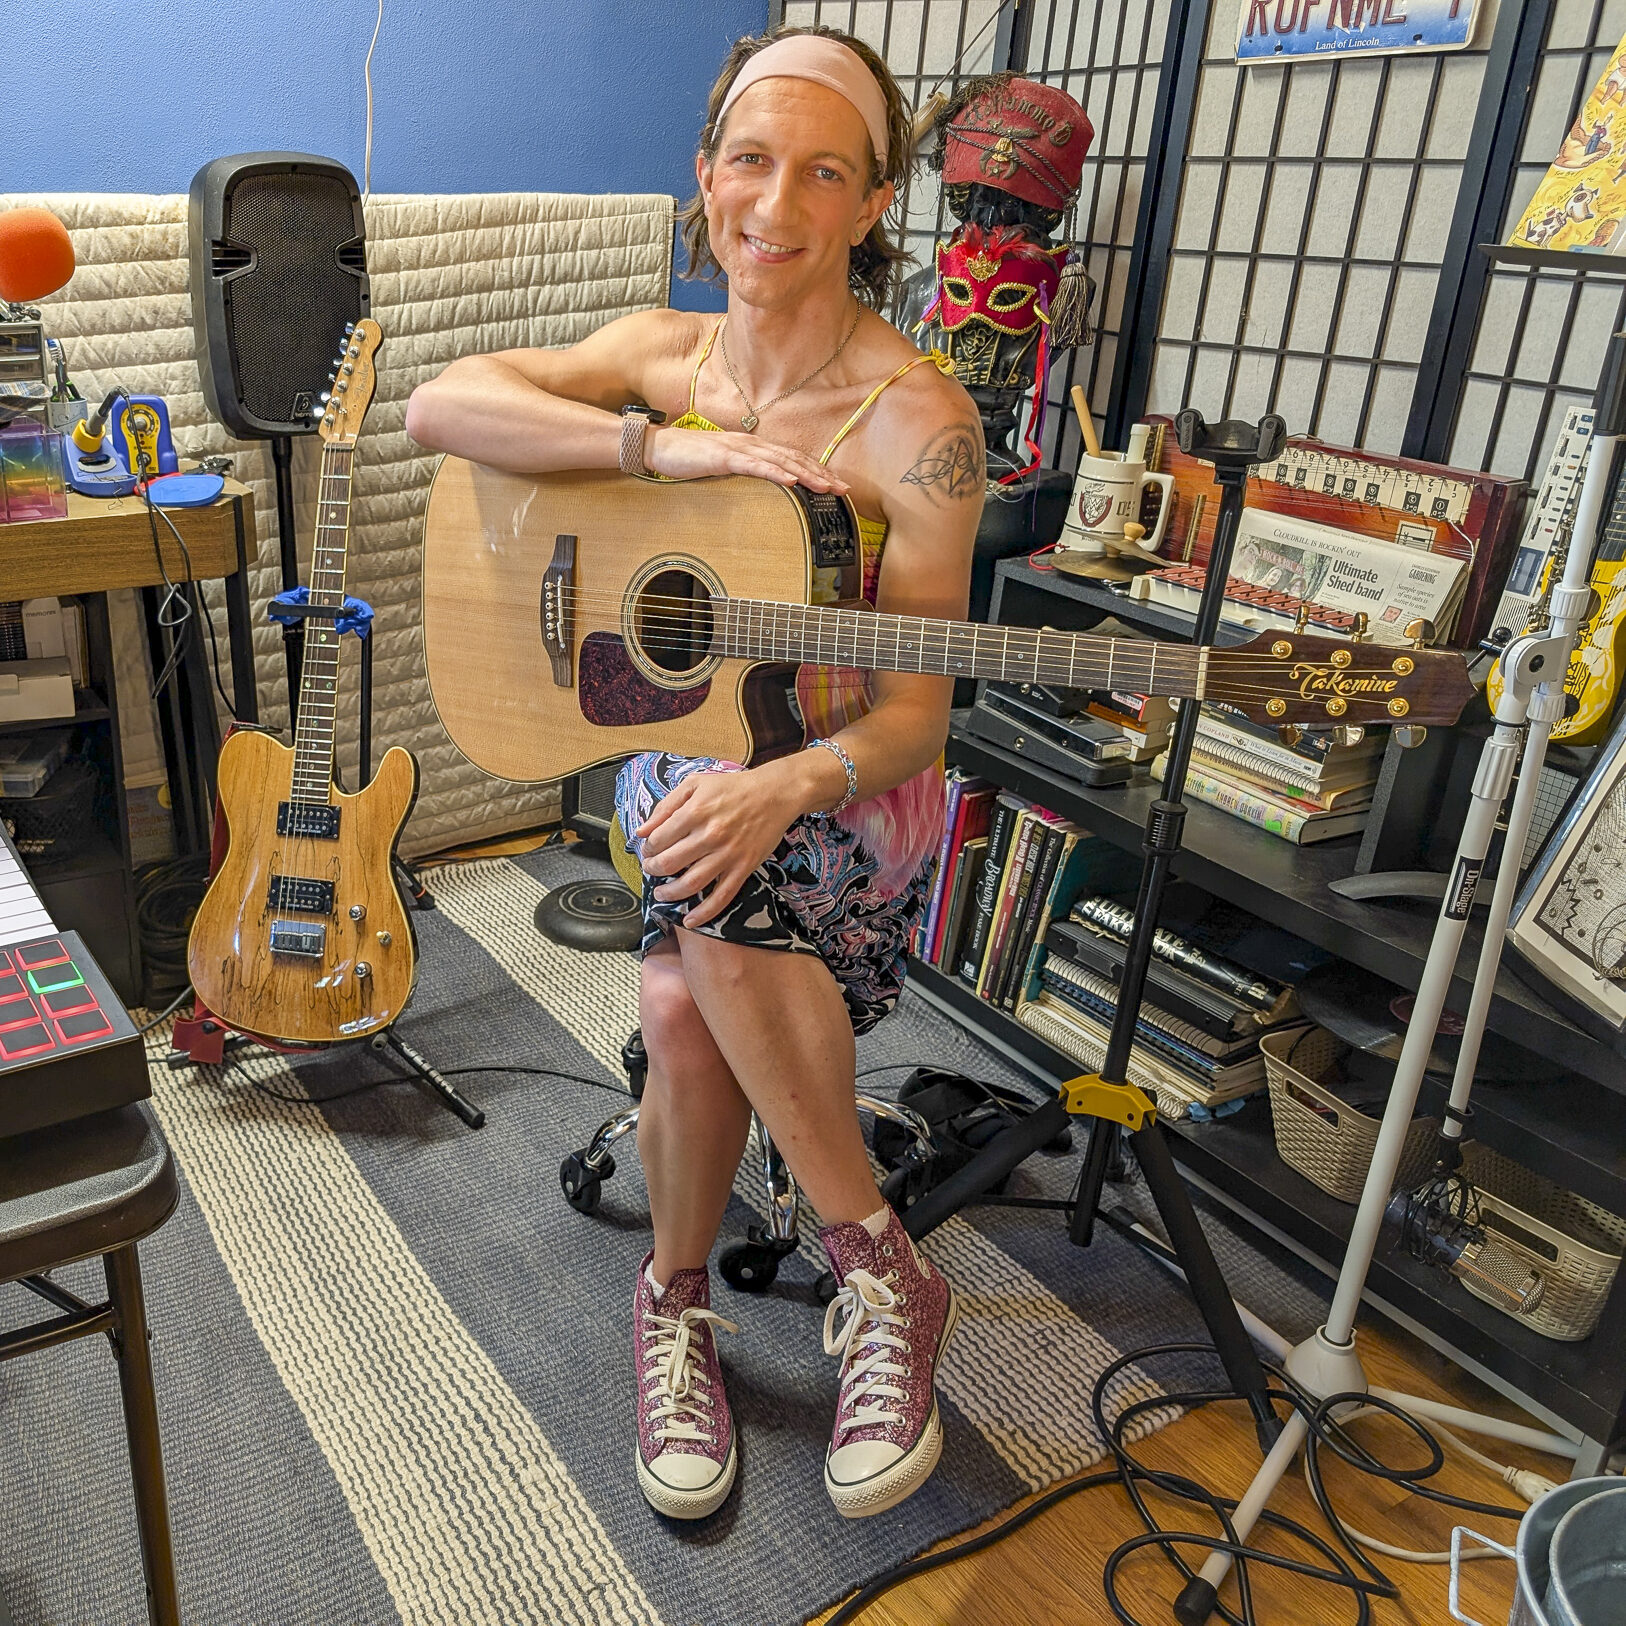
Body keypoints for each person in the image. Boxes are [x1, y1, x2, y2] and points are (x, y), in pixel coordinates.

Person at [405, 23, 984, 1523]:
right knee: (679, 951)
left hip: (847, 792)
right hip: (685, 759)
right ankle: (805, 1281)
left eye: (822, 172)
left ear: (871, 204)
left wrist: (790, 785)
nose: (773, 203)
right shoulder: (659, 357)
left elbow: (914, 726)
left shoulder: (922, 430)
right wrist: (665, 459)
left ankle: (730, 1293)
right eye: (747, 159)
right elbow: (435, 407)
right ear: (703, 174)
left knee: (690, 947)